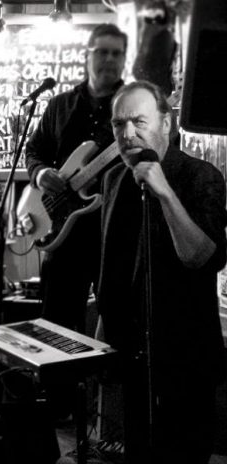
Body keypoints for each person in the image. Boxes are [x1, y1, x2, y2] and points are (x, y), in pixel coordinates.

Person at [97, 80, 226, 464]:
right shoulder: (114, 179)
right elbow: (112, 264)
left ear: (166, 124)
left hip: (185, 358)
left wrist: (164, 192)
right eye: (119, 124)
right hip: (133, 356)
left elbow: (200, 256)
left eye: (139, 121)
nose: (128, 133)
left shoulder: (200, 177)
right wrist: (104, 330)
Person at [25, 23, 127, 335]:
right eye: (102, 52)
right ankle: (60, 384)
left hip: (114, 231)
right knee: (55, 323)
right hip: (62, 230)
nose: (109, 59)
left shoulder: (134, 107)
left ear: (124, 58)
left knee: (119, 320)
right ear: (87, 55)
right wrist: (41, 174)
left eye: (116, 53)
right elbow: (34, 150)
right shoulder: (60, 104)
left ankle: (109, 384)